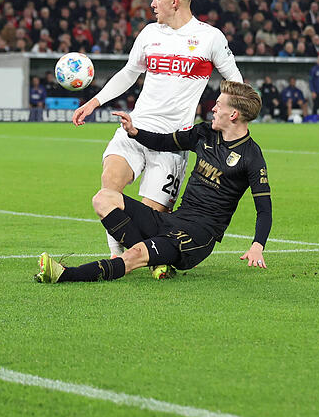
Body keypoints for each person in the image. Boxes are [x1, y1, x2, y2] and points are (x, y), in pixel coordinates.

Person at [71, 0, 243, 258]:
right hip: (136, 128)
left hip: (173, 141)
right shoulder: (150, 33)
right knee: (109, 184)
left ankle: (147, 255)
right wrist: (94, 102)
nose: (152, 4)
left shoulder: (209, 38)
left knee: (152, 217)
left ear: (175, 2)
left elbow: (235, 83)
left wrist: (234, 121)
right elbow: (129, 72)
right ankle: (116, 257)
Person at [36, 81, 271, 283]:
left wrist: (257, 245)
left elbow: (264, 210)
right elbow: (165, 142)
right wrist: (134, 131)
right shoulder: (205, 134)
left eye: (219, 105)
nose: (214, 108)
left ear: (233, 115)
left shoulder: (252, 157)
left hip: (196, 237)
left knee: (134, 255)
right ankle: (157, 260)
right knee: (103, 198)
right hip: (173, 219)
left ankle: (64, 274)